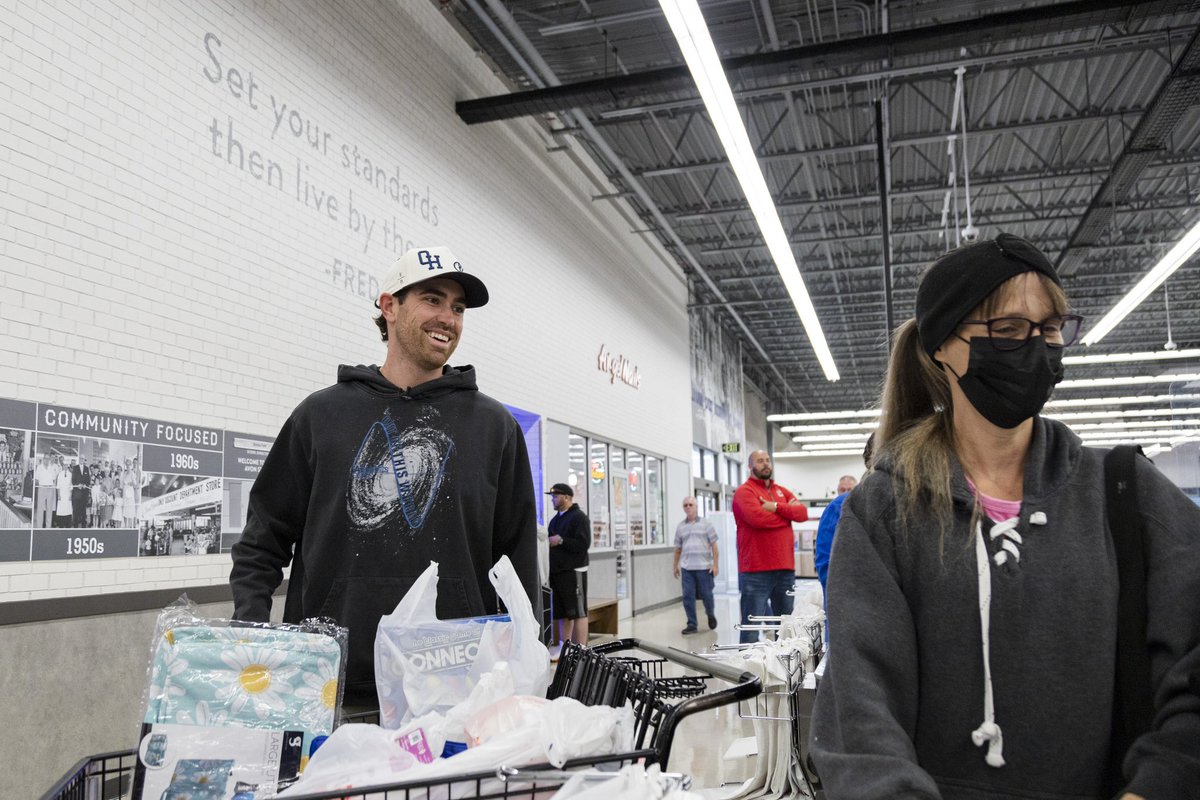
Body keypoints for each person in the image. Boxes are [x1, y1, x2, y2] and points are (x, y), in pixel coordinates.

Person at [810, 234, 1200, 799]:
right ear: (943, 344)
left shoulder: (1125, 492)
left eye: (1050, 329)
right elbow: (860, 715)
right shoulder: (884, 511)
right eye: (1009, 330)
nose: (1038, 348)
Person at [230, 246, 538, 705]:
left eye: (457, 308)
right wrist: (252, 634)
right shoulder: (320, 416)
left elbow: (516, 560)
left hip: (454, 684)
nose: (448, 319)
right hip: (326, 683)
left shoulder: (494, 428)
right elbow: (263, 540)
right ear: (389, 306)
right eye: (432, 300)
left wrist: (522, 661)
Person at [732, 449, 808, 644]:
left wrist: (776, 507)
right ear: (750, 466)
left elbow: (802, 514)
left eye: (767, 460)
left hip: (785, 570)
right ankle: (747, 669)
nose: (765, 464)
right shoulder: (744, 492)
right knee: (751, 627)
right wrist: (786, 517)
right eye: (759, 461)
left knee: (785, 628)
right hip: (756, 572)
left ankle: (783, 669)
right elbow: (758, 519)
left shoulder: (780, 491)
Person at [546, 482, 590, 647]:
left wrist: (561, 540)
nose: (553, 500)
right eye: (552, 497)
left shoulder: (579, 518)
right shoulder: (554, 521)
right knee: (563, 612)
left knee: (578, 612)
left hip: (574, 571)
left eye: (555, 497)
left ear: (567, 497)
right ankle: (565, 648)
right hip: (558, 572)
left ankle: (581, 650)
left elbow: (583, 544)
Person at [672, 496, 719, 635]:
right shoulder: (681, 527)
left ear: (696, 507)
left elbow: (714, 546)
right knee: (688, 596)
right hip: (687, 568)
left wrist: (715, 565)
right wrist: (675, 566)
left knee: (707, 595)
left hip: (704, 568)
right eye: (685, 505)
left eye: (690, 504)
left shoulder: (706, 524)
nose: (688, 507)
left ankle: (710, 614)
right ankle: (692, 624)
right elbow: (678, 548)